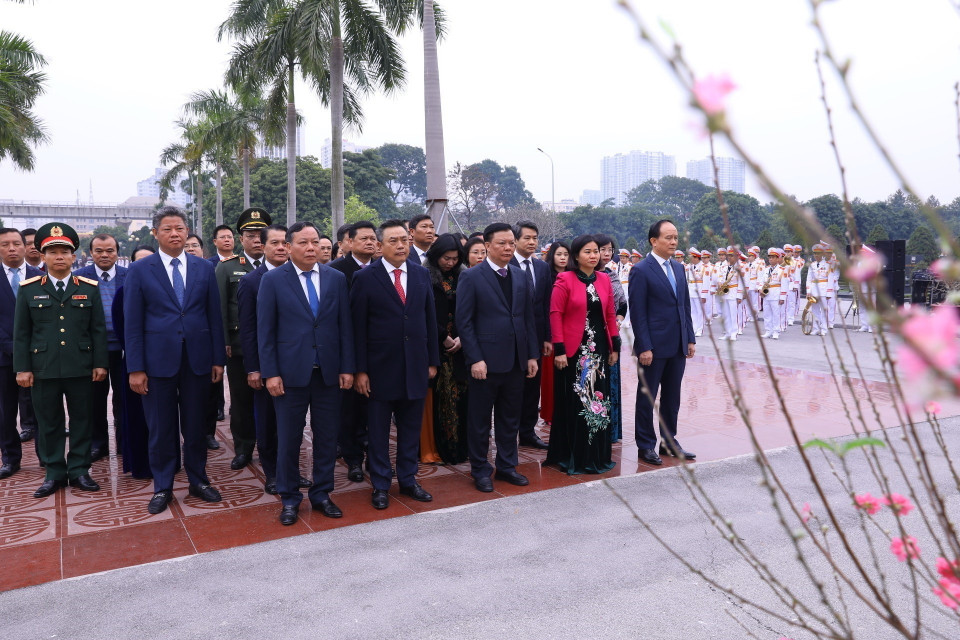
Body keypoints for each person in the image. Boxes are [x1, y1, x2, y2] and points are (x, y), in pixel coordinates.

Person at [124, 206, 226, 514]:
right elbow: (133, 322)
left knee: (196, 426)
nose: (175, 234)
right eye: (167, 229)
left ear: (187, 231)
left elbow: (213, 315)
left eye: (180, 228)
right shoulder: (141, 270)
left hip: (197, 360)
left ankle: (199, 480)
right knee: (161, 428)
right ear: (155, 233)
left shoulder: (203, 268)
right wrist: (136, 368)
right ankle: (163, 486)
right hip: (157, 363)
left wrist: (217, 358)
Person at [257, 221, 355, 526]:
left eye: (315, 242)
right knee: (289, 438)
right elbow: (266, 331)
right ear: (289, 247)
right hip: (289, 375)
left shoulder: (336, 278)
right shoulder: (273, 281)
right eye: (303, 243)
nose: (311, 248)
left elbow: (344, 326)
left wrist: (347, 367)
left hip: (328, 372)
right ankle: (289, 498)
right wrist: (270, 373)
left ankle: (322, 493)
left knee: (327, 437)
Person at [13, 223, 108, 497]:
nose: (59, 257)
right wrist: (23, 368)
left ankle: (79, 470)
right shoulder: (29, 289)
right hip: (44, 368)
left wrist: (100, 363)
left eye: (64, 252)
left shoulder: (88, 287)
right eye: (52, 252)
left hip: (80, 367)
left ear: (73, 256)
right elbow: (22, 333)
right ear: (43, 256)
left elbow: (97, 329)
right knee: (49, 423)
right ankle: (54, 472)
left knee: (81, 420)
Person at [352, 220, 439, 509]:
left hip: (415, 364)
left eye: (405, 240)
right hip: (379, 368)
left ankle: (409, 479)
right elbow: (358, 327)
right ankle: (379, 484)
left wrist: (431, 361)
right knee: (377, 431)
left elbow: (429, 320)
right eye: (394, 241)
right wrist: (360, 369)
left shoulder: (420, 274)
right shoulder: (365, 278)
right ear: (379, 246)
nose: (401, 245)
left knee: (410, 428)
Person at [456, 222, 539, 492]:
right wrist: (475, 358)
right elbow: (464, 322)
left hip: (515, 360)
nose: (507, 248)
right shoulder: (472, 276)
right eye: (501, 243)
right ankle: (480, 469)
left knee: (509, 418)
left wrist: (531, 356)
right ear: (487, 246)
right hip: (485, 362)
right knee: (480, 420)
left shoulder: (519, 275)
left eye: (511, 244)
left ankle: (506, 466)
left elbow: (527, 319)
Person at [237, 223, 304, 495]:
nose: (280, 248)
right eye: (274, 243)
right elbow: (249, 328)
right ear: (262, 247)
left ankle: (292, 472)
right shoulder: (251, 281)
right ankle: (273, 474)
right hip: (267, 365)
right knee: (267, 422)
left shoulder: (300, 276)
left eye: (284, 243)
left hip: (296, 363)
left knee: (293, 425)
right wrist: (254, 368)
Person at [545, 235, 620, 474]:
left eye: (596, 251)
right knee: (576, 402)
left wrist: (615, 347)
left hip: (598, 350)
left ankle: (596, 456)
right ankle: (574, 455)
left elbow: (609, 315)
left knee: (599, 402)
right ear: (576, 256)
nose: (594, 255)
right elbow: (555, 314)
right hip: (574, 353)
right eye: (588, 251)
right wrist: (559, 350)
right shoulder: (564, 279)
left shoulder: (604, 279)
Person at [628, 219, 696, 466]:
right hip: (653, 348)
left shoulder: (678, 268)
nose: (674, 242)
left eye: (676, 237)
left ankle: (669, 441)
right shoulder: (641, 270)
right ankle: (645, 444)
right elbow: (638, 312)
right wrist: (644, 346)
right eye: (668, 237)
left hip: (677, 344)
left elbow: (684, 306)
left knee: (672, 395)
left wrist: (689, 338)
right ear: (653, 241)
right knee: (647, 396)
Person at [216, 207, 270, 471]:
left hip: (274, 346)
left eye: (261, 233)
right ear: (241, 238)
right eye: (251, 234)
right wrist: (224, 341)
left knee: (274, 399)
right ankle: (244, 448)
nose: (257, 239)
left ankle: (273, 447)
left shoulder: (281, 265)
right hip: (239, 347)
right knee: (241, 399)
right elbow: (220, 309)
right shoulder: (228, 268)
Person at [328, 221, 378, 483]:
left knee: (376, 411)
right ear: (349, 242)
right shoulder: (335, 271)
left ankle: (376, 458)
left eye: (373, 238)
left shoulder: (382, 269)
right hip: (346, 350)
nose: (370, 242)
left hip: (379, 351)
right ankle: (353, 460)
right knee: (350, 412)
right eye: (364, 238)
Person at [74, 233, 127, 461]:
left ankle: (125, 442)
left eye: (109, 250)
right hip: (93, 351)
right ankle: (98, 443)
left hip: (124, 349)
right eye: (99, 251)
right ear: (90, 253)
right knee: (94, 400)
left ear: (117, 252)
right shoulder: (78, 278)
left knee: (124, 399)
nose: (104, 255)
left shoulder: (131, 275)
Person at [0, 227, 43, 479]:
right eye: (5, 244)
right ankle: (10, 458)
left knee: (41, 410)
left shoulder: (40, 277)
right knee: (5, 412)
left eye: (16, 243)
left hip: (38, 355)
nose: (12, 248)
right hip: (3, 357)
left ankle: (46, 456)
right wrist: (12, 348)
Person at [424, 233, 469, 465]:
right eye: (446, 258)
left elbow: (472, 310)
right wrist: (443, 337)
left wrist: (462, 337)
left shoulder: (465, 277)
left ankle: (461, 448)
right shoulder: (424, 276)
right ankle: (439, 447)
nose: (450, 263)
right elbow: (424, 313)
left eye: (454, 258)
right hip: (436, 345)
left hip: (461, 346)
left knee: (462, 397)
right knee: (438, 398)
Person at [510, 220, 552, 450]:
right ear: (515, 240)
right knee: (513, 388)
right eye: (527, 237)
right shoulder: (507, 266)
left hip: (536, 338)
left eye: (535, 238)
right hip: (512, 339)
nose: (532, 242)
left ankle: (527, 432)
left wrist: (547, 337)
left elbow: (545, 305)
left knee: (532, 388)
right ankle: (509, 434)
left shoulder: (542, 267)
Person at [595, 234, 628, 442]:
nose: (606, 254)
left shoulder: (612, 274)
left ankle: (612, 430)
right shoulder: (581, 275)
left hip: (611, 336)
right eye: (602, 249)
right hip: (592, 337)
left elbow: (622, 303)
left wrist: (618, 318)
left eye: (609, 250)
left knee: (611, 381)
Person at [540, 241, 570, 426]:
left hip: (569, 331)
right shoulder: (547, 277)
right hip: (551, 332)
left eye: (566, 254)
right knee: (550, 377)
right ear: (552, 256)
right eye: (559, 254)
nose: (563, 258)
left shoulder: (574, 276)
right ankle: (550, 413)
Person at [760, 248, 789, 339]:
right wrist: (760, 289)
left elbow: (784, 284)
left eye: (773, 257)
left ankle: (776, 331)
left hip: (776, 294)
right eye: (770, 257)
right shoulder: (766, 269)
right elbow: (761, 281)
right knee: (767, 314)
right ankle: (768, 330)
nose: (771, 259)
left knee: (776, 314)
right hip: (766, 294)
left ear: (777, 259)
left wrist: (782, 297)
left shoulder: (782, 270)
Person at [805, 244, 830, 336]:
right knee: (815, 310)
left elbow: (830, 279)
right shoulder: (812, 265)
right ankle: (816, 328)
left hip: (823, 290)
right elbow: (808, 279)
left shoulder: (827, 265)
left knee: (824, 310)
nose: (816, 255)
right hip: (814, 290)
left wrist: (829, 293)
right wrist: (808, 291)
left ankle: (824, 329)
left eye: (818, 253)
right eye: (815, 253)